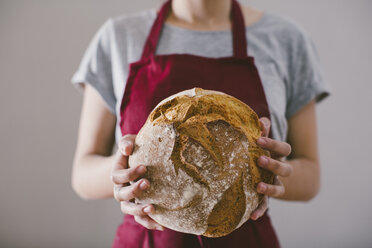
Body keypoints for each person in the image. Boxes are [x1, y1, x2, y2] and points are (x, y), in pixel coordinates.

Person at [71, 0, 330, 247]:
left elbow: (311, 177)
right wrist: (122, 173)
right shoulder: (118, 37)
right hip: (145, 241)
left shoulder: (286, 40)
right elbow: (82, 174)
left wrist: (271, 174)